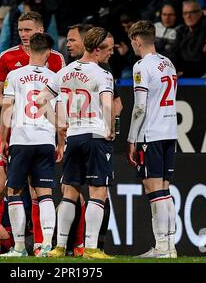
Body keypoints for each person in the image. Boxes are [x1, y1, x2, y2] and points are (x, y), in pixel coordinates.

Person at [0, 11, 65, 257]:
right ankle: (43, 247)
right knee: (44, 193)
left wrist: (4, 138)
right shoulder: (54, 76)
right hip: (45, 139)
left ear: (39, 32)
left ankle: (20, 247)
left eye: (28, 30)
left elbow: (7, 110)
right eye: (20, 30)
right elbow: (59, 112)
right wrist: (60, 139)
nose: (23, 35)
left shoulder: (16, 75)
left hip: (19, 136)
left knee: (16, 192)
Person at [37, 27, 116, 259]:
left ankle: (60, 246)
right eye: (108, 49)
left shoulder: (65, 71)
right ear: (98, 49)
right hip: (94, 135)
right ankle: (91, 248)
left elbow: (41, 100)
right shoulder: (102, 74)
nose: (110, 54)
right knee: (97, 191)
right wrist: (110, 128)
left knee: (69, 192)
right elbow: (107, 103)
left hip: (73, 136)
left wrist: (58, 124)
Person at [64, 23, 123, 256]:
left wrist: (108, 123)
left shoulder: (100, 70)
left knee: (87, 193)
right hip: (87, 135)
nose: (69, 44)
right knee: (91, 192)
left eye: (72, 40)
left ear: (87, 43)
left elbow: (117, 104)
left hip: (80, 134)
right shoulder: (84, 70)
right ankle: (77, 246)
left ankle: (92, 244)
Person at [126, 20, 178, 259]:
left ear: (137, 40)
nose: (133, 46)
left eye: (132, 41)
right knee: (164, 188)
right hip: (169, 133)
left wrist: (131, 139)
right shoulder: (168, 63)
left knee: (153, 188)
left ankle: (162, 247)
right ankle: (169, 246)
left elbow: (140, 107)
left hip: (152, 134)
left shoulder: (141, 66)